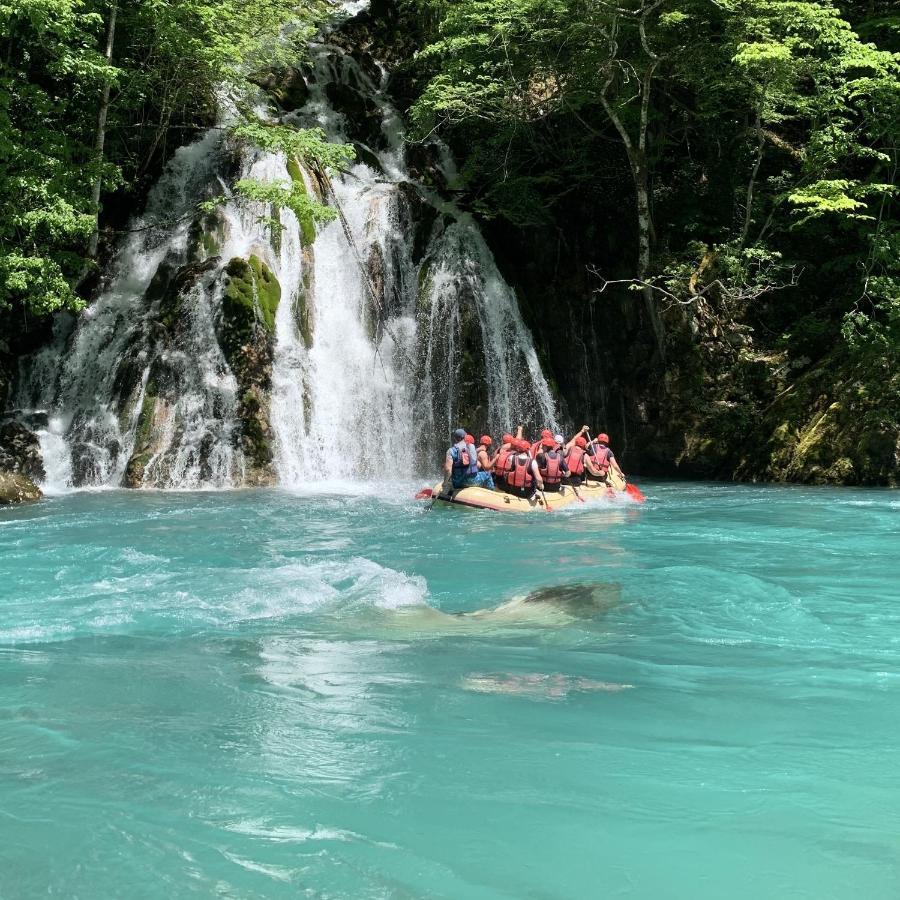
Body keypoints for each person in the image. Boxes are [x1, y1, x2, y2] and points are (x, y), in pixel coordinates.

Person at [443, 428, 495, 492]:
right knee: (487, 474)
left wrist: (445, 484)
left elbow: (448, 470)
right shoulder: (471, 447)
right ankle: (491, 492)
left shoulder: (451, 451)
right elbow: (478, 465)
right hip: (472, 481)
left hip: (457, 483)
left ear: (455, 439)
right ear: (465, 436)